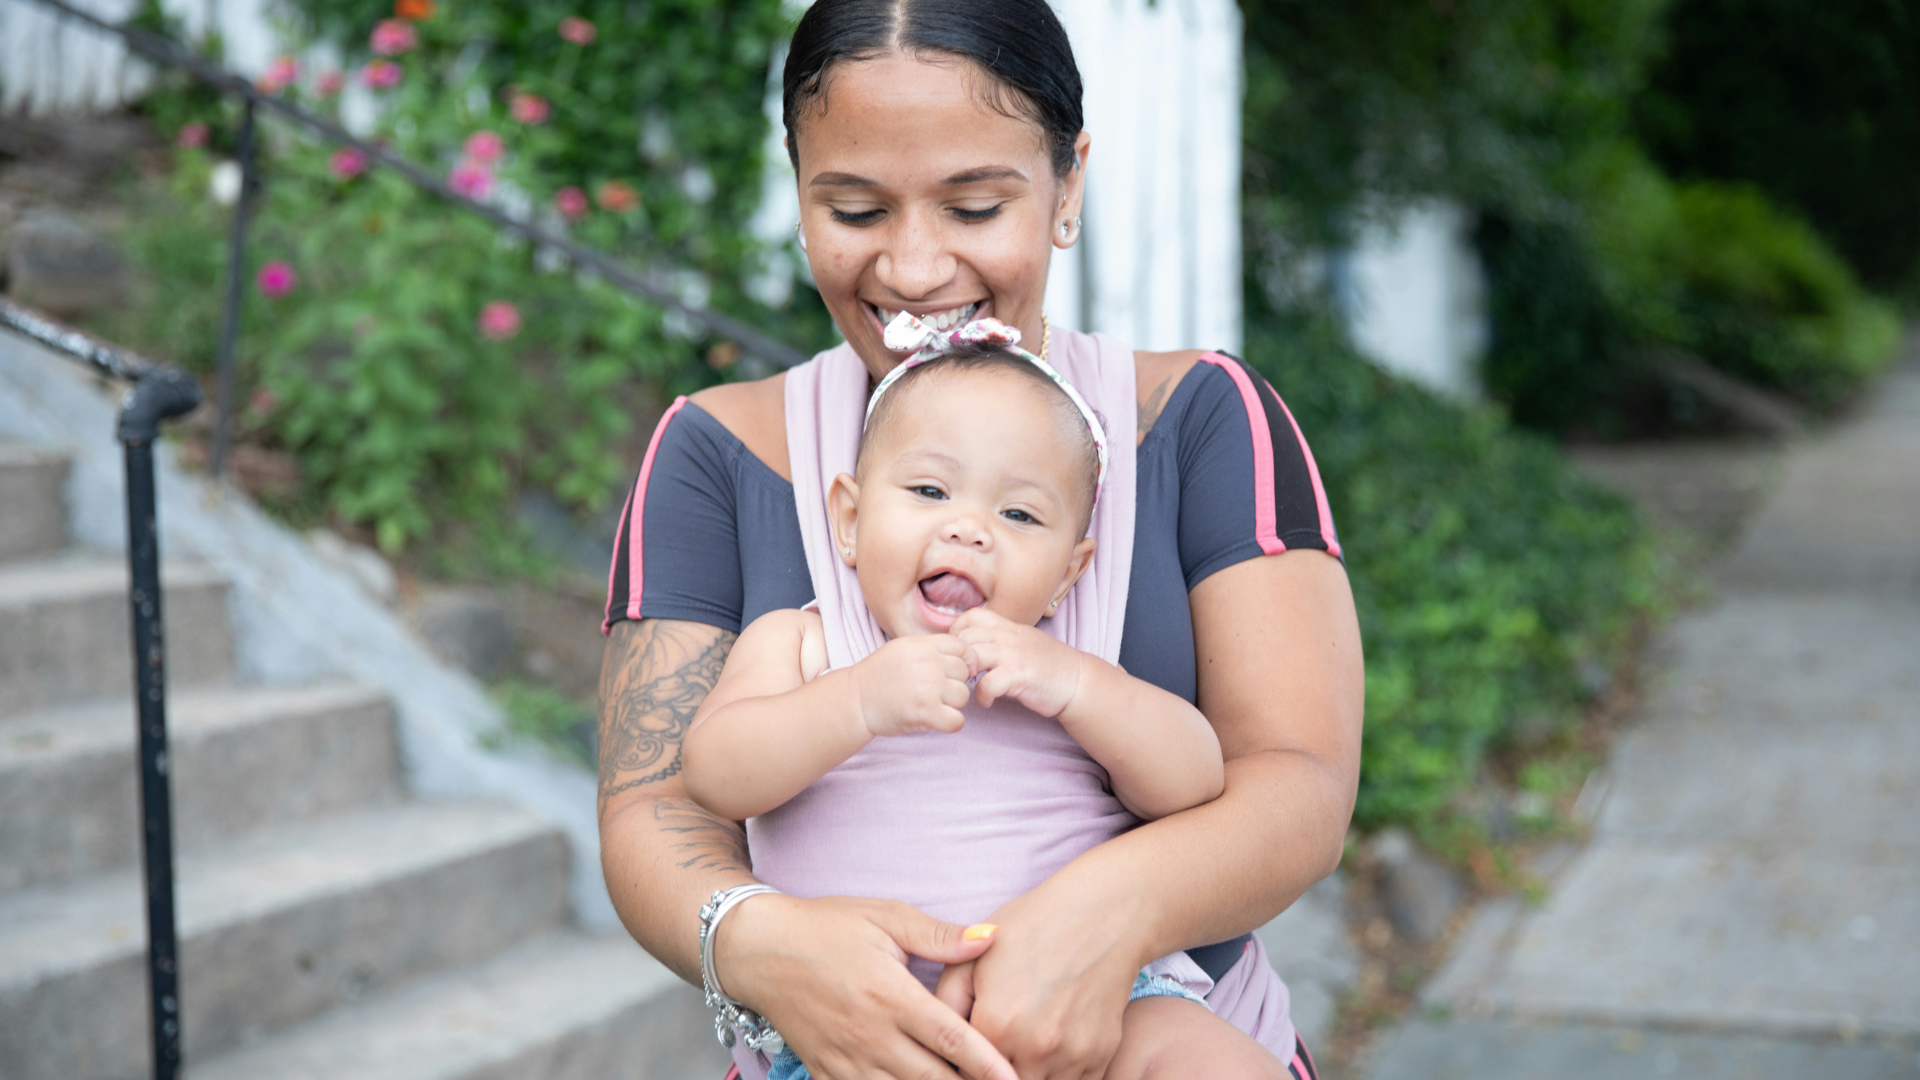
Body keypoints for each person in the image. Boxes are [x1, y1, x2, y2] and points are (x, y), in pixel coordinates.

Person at [596, 1, 1364, 1077]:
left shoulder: (1197, 420)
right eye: (855, 207)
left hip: (1143, 1026)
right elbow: (655, 807)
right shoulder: (718, 453)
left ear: (1067, 186)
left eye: (973, 205)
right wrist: (767, 947)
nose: (913, 271)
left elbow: (1296, 782)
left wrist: (1105, 913)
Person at [682, 323, 1285, 1079]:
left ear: (1069, 573)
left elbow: (1195, 780)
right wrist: (858, 703)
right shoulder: (805, 645)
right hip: (867, 1032)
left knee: (1212, 1062)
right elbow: (714, 770)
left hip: (1103, 1002)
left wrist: (1077, 686)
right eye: (930, 491)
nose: (968, 529)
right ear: (851, 519)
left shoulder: (1064, 665)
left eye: (1020, 515)